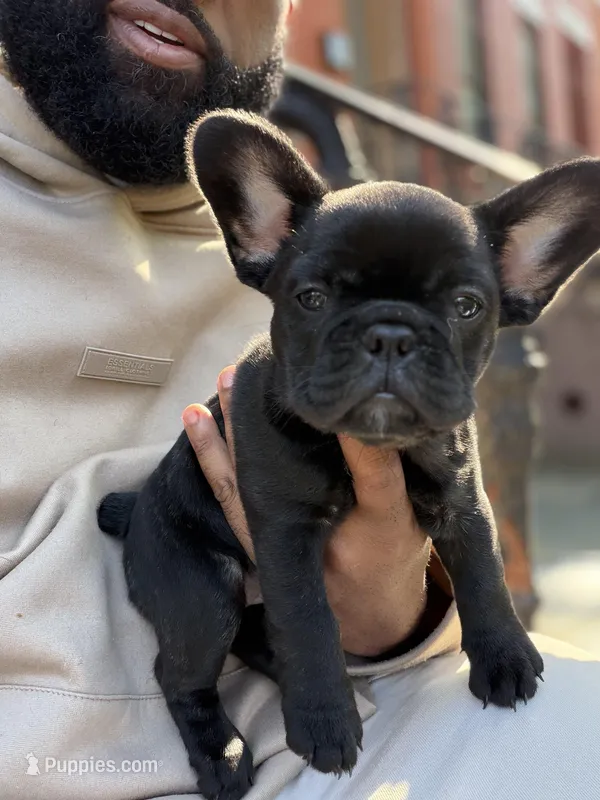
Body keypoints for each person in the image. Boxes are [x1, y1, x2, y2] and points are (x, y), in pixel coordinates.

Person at [0, 2, 597, 799]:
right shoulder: (298, 238)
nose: (388, 346)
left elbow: (451, 537)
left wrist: (402, 611)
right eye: (321, 300)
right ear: (262, 241)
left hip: (352, 711)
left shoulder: (311, 239)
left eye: (453, 310)